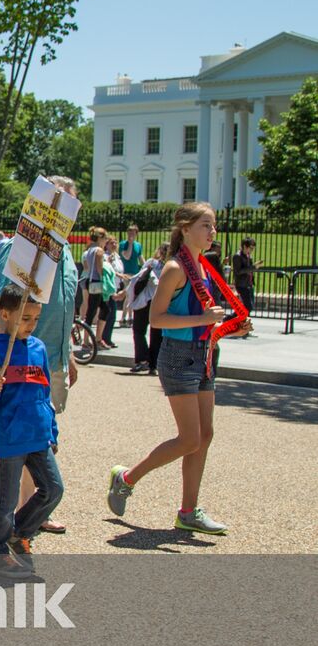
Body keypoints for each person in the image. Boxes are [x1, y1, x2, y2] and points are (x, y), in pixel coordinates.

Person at [108, 203, 251, 536]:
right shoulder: (176, 267)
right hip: (178, 356)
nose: (212, 232)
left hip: (202, 353)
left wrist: (232, 326)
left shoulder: (204, 266)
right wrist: (205, 319)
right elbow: (157, 320)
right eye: (205, 225)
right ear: (185, 229)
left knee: (205, 435)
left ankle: (188, 511)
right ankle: (126, 477)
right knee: (189, 439)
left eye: (213, 226)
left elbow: (204, 318)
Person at [0, 176, 80, 534]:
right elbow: (0, 301)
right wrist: (1, 355)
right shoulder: (19, 248)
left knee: (43, 429)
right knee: (26, 433)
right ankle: (26, 508)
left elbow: (66, 309)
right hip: (21, 359)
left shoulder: (68, 256)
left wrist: (68, 355)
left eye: (69, 204)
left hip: (51, 355)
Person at [0, 284, 65, 580]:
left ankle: (19, 533)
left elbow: (45, 391)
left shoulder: (38, 348)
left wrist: (52, 429)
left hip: (39, 435)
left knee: (53, 489)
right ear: (6, 314)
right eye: (25, 318)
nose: (31, 325)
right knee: (6, 501)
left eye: (35, 319)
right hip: (10, 436)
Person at [126, 245, 167, 374]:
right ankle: (154, 364)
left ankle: (142, 360)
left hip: (145, 300)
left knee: (138, 330)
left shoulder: (151, 263)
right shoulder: (172, 266)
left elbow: (138, 278)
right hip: (161, 302)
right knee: (157, 334)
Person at [231, 237, 257, 336]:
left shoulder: (248, 256)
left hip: (248, 284)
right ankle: (231, 320)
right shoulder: (237, 256)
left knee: (248, 307)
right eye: (250, 248)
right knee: (247, 307)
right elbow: (238, 271)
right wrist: (253, 267)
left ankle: (243, 328)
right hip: (241, 284)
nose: (251, 250)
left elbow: (248, 269)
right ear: (245, 246)